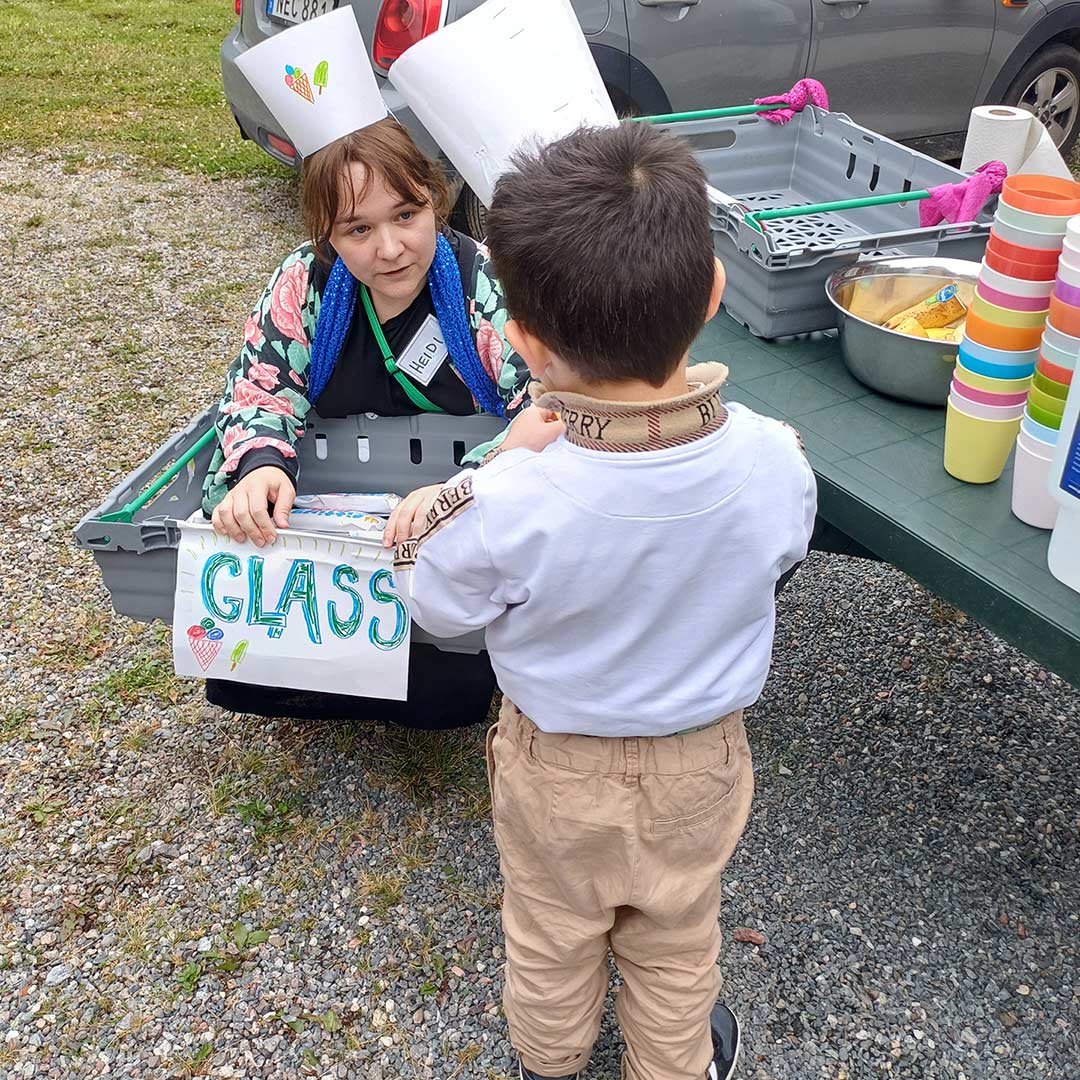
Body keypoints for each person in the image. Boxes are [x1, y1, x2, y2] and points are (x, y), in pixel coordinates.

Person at [393, 122, 817, 1080]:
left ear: (525, 343)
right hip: (701, 760)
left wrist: (456, 490)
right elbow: (781, 551)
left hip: (557, 771)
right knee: (676, 936)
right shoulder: (776, 459)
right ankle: (674, 1066)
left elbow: (440, 611)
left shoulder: (512, 498)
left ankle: (549, 1058)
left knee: (550, 928)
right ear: (714, 293)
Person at [199, 9, 533, 727]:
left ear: (434, 203)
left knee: (452, 695)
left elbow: (548, 404)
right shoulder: (304, 285)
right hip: (349, 522)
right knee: (228, 684)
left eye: (406, 215)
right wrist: (261, 465)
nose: (389, 248)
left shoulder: (481, 284)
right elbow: (261, 386)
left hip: (449, 528)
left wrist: (458, 489)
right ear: (326, 234)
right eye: (358, 229)